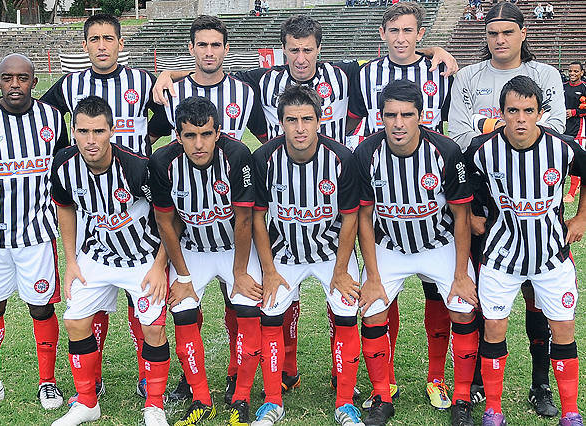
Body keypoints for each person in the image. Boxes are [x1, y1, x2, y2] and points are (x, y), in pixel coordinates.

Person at [154, 12, 458, 399]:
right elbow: (210, 70)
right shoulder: (262, 80)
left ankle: (342, 374)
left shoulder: (345, 74)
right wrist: (169, 74)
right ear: (283, 50)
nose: (301, 58)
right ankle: (287, 370)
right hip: (284, 199)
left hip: (333, 194)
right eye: (294, 50)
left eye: (308, 50)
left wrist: (434, 50)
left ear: (319, 49)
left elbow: (399, 53)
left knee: (346, 290)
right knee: (282, 291)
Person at [0, 13, 169, 403]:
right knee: (95, 295)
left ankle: (147, 376)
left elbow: (166, 115)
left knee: (137, 295)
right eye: (95, 39)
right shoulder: (70, 84)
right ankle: (94, 376)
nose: (102, 45)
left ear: (120, 43)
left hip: (135, 200)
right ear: (85, 44)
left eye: (109, 38)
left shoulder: (143, 81)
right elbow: (23, 105)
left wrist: (166, 81)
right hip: (89, 205)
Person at [448, 2, 565, 416]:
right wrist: (507, 131)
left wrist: (489, 129)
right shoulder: (468, 77)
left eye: (508, 32)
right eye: (493, 33)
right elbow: (457, 136)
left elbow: (557, 131)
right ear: (485, 36)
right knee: (487, 296)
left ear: (523, 33)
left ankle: (540, 384)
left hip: (537, 205)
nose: (500, 40)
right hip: (487, 204)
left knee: (539, 299)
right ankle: (481, 380)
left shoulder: (545, 75)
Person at [347, 2, 456, 411]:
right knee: (381, 295)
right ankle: (385, 380)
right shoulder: (364, 75)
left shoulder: (440, 69)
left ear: (421, 34)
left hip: (431, 189)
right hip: (384, 190)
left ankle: (436, 378)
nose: (400, 38)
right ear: (382, 34)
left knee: (436, 294)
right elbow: (349, 120)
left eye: (408, 31)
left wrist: (438, 53)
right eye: (393, 30)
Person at [152, 15, 264, 408]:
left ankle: (238, 383)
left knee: (242, 303)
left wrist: (241, 269)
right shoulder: (170, 99)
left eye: (216, 44)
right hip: (193, 241)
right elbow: (165, 219)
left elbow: (270, 138)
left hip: (234, 238)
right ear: (191, 48)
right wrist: (180, 274)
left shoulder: (244, 96)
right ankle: (194, 387)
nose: (209, 51)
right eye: (202, 44)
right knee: (184, 307)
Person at [353, 80, 478, 426]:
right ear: (380, 116)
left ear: (420, 116)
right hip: (389, 246)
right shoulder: (366, 153)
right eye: (390, 115)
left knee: (463, 309)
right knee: (372, 309)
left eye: (407, 115)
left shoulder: (445, 151)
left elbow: (461, 216)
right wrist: (373, 277)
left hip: (439, 243)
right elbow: (364, 217)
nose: (398, 123)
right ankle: (382, 394)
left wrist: (461, 274)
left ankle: (461, 397)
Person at [464, 75, 585, 426]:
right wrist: (470, 213)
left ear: (540, 113)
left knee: (563, 330)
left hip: (551, 258)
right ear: (501, 113)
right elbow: (459, 181)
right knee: (493, 329)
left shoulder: (562, 148)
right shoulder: (482, 149)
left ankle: (571, 412)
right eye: (513, 111)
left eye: (528, 111)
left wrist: (581, 218)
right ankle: (494, 409)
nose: (520, 119)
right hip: (501, 257)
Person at [0, 53, 69, 414]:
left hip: (38, 236)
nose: (15, 84)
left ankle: (47, 382)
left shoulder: (53, 118)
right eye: (7, 78)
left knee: (41, 308)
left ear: (34, 82)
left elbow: (64, 172)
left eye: (22, 78)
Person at [50, 95, 170, 426]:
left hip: (143, 257)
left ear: (112, 131)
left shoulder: (137, 167)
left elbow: (166, 216)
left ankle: (154, 406)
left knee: (153, 329)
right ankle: (87, 402)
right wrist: (71, 261)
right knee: (75, 322)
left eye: (98, 131)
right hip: (98, 254)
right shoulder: (63, 164)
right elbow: (65, 207)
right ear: (73, 132)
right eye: (83, 131)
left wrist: (160, 265)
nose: (91, 140)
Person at [252, 84, 363, 426]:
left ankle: (345, 403)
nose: (299, 128)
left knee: (347, 312)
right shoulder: (264, 158)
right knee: (270, 313)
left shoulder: (341, 158)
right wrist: (268, 271)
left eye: (306, 120)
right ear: (281, 123)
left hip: (331, 252)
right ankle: (272, 401)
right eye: (291, 120)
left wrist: (341, 270)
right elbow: (257, 217)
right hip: (284, 252)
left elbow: (350, 218)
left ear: (319, 120)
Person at [563, 62, 586, 203]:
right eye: (570, 71)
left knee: (576, 156)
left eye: (576, 71)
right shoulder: (563, 87)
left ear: (582, 73)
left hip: (578, 127)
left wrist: (574, 112)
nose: (572, 73)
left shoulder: (584, 88)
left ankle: (572, 192)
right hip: (563, 126)